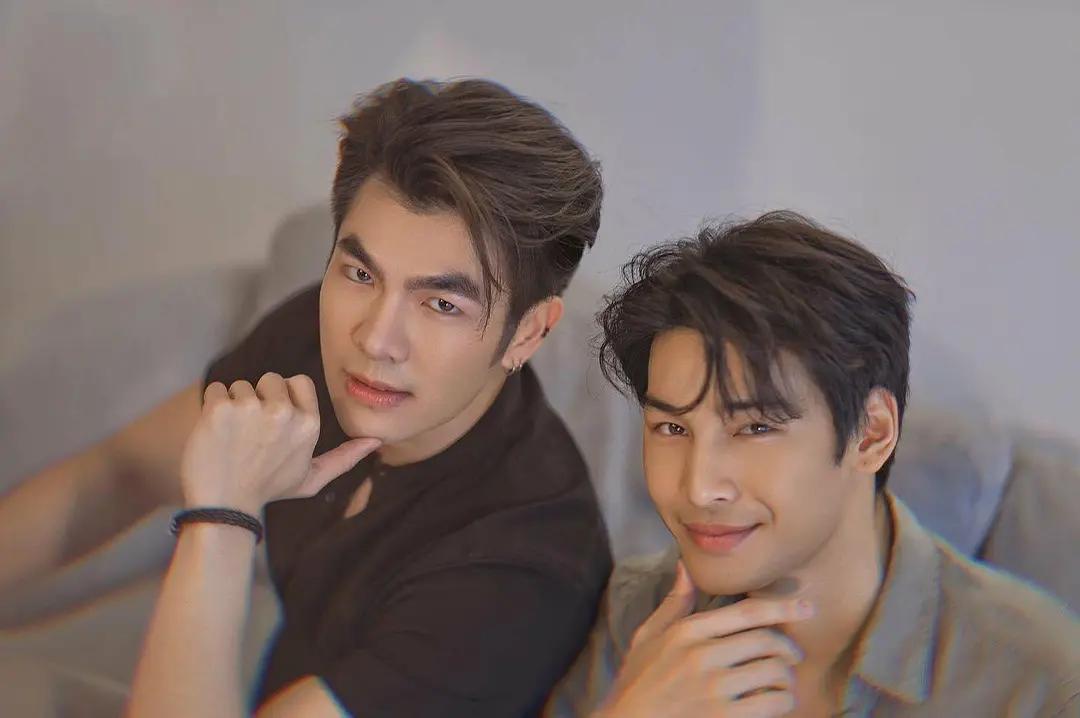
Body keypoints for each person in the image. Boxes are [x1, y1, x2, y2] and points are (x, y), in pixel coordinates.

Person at [1, 78, 612, 716]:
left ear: (529, 332)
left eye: (441, 304)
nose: (375, 339)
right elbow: (120, 474)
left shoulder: (517, 578)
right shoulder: (318, 348)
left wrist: (223, 518)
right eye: (361, 273)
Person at [547, 211, 1079, 717]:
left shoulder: (1038, 681)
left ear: (872, 433)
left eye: (755, 428)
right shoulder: (636, 612)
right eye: (672, 428)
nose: (699, 487)